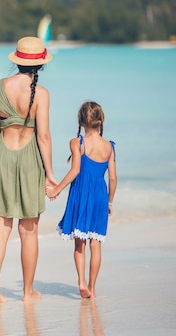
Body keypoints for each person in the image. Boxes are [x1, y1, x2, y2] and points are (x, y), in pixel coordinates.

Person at [0, 36, 57, 303]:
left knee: (0, 228)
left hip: (2, 157)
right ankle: (27, 291)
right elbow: (44, 137)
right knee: (29, 230)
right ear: (40, 65)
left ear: (17, 61)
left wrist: (1, 161)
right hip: (29, 161)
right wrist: (50, 174)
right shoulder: (42, 94)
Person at [47, 101, 117, 298]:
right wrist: (109, 202)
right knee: (96, 244)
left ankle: (81, 282)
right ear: (101, 120)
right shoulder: (109, 147)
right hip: (100, 197)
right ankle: (92, 288)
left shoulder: (77, 143)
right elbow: (112, 178)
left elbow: (75, 170)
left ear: (81, 121)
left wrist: (57, 189)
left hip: (81, 195)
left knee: (80, 245)